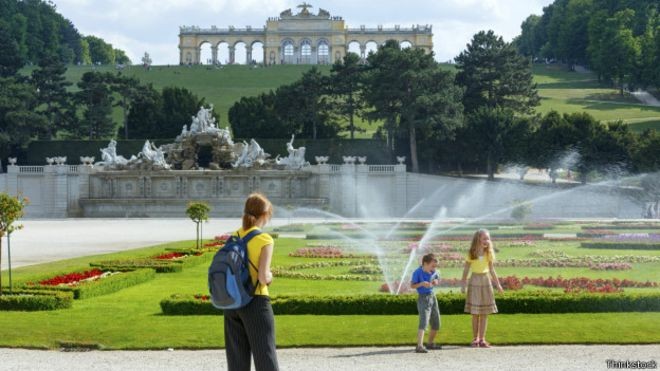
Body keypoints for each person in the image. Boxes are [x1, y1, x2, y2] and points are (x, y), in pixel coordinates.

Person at [224, 193, 279, 371]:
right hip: (256, 302)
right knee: (265, 358)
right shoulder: (264, 239)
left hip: (232, 303)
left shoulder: (234, 237)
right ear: (265, 215)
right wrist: (271, 276)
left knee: (237, 362)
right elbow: (263, 277)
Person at [461, 229, 503, 348]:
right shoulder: (471, 253)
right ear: (478, 238)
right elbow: (466, 269)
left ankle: (482, 339)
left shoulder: (488, 253)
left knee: (484, 313)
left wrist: (498, 284)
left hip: (485, 281)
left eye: (488, 238)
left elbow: (492, 270)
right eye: (485, 238)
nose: (487, 241)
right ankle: (475, 338)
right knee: (475, 313)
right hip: (474, 281)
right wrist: (463, 284)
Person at [410, 253, 442, 353]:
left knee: (436, 323)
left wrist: (436, 281)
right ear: (425, 263)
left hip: (433, 297)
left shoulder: (433, 271)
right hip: (423, 299)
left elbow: (437, 277)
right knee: (424, 322)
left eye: (435, 266)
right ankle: (419, 346)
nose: (434, 268)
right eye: (432, 266)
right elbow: (412, 285)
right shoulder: (417, 272)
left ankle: (430, 343)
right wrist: (421, 284)